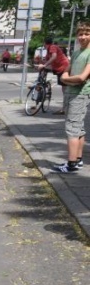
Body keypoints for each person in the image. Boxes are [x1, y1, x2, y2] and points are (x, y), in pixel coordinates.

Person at [52, 21, 90, 174]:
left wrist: (66, 79)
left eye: (87, 33)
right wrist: (67, 78)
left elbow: (81, 78)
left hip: (80, 95)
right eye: (80, 34)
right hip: (70, 94)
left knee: (72, 129)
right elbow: (65, 73)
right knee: (78, 129)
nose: (83, 37)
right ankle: (78, 160)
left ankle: (71, 164)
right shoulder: (76, 53)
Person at [37, 37, 70, 114]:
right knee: (64, 89)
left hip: (63, 68)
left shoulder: (52, 47)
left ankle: (65, 109)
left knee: (65, 89)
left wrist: (44, 65)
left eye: (43, 43)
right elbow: (47, 60)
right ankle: (65, 107)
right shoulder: (49, 50)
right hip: (59, 68)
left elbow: (54, 56)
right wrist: (41, 64)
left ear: (44, 43)